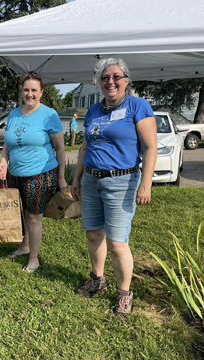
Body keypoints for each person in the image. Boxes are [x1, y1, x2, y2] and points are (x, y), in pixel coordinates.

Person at [70, 58, 157, 315]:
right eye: (105, 78)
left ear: (126, 80)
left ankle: (124, 293)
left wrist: (146, 184)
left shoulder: (137, 106)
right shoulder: (94, 110)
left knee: (118, 242)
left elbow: (151, 147)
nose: (110, 82)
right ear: (99, 83)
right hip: (91, 180)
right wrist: (77, 177)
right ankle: (97, 279)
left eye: (116, 77)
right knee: (94, 234)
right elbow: (85, 146)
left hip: (121, 181)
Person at [0, 71, 67, 273]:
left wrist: (61, 177)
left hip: (40, 173)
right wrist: (3, 161)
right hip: (15, 173)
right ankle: (24, 245)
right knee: (21, 213)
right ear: (21, 91)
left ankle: (34, 258)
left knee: (34, 216)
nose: (30, 94)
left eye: (34, 90)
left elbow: (60, 148)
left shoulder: (49, 115)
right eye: (26, 90)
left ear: (41, 92)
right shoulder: (13, 114)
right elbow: (7, 144)